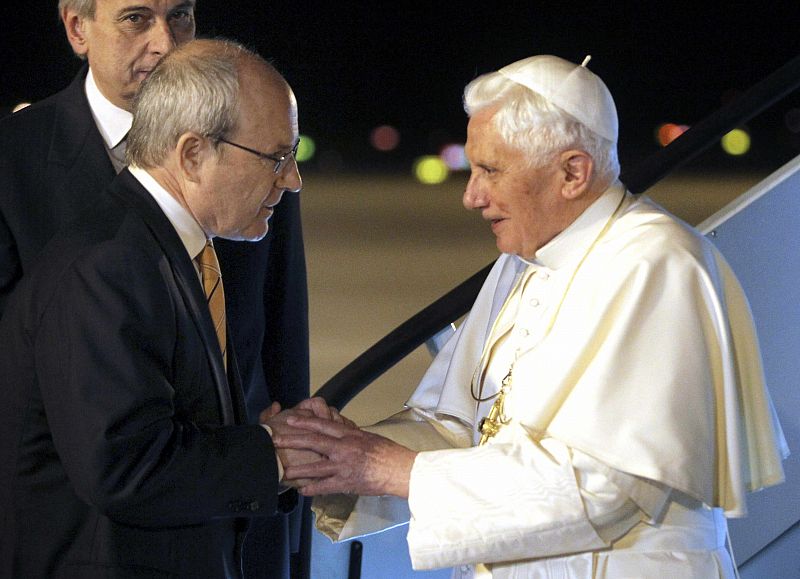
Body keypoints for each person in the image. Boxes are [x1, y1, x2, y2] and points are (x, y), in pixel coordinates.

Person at [273, 55, 789, 578]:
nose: (471, 196)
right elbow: (460, 430)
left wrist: (386, 467)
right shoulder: (522, 262)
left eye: (490, 171)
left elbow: (607, 485)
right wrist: (338, 460)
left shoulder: (658, 263)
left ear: (571, 172)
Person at [0, 38, 329, 579]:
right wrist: (274, 455)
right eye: (276, 157)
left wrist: (261, 435)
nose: (291, 179)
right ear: (193, 154)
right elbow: (125, 467)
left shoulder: (164, 250)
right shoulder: (109, 267)